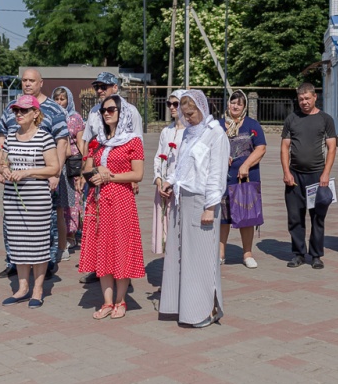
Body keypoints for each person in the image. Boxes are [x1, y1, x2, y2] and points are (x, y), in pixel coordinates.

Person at [159, 90, 229, 328]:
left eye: (191, 114)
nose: (187, 118)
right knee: (183, 257)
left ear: (202, 109)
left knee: (202, 258)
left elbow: (217, 173)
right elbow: (182, 165)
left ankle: (206, 310)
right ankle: (186, 307)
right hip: (183, 199)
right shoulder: (189, 133)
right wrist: (170, 181)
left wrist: (210, 207)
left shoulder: (215, 134)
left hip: (202, 201)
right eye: (184, 114)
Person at [0, 69, 69, 279]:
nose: (27, 84)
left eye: (31, 80)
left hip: (42, 175)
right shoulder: (12, 108)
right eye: (24, 80)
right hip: (15, 180)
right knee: (12, 221)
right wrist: (2, 168)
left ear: (41, 83)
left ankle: (47, 262)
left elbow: (62, 142)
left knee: (45, 221)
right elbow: (2, 140)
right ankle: (14, 261)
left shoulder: (53, 109)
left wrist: (55, 174)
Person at [79, 95, 146, 319]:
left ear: (122, 111)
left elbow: (138, 174)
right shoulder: (97, 141)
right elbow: (87, 169)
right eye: (103, 110)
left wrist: (110, 176)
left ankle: (121, 300)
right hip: (97, 201)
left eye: (111, 109)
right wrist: (95, 173)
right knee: (102, 248)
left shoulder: (132, 141)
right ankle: (107, 302)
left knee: (120, 248)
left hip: (121, 199)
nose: (107, 113)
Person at [0, 95, 60, 308]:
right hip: (13, 198)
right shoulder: (11, 137)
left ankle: (38, 289)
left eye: (24, 111)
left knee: (38, 244)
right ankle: (22, 288)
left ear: (35, 113)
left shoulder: (44, 137)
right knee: (17, 243)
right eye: (16, 110)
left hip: (36, 199)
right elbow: (3, 162)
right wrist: (5, 170)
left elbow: (54, 168)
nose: (19, 114)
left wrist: (27, 172)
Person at [281, 83, 337, 269]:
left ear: (315, 98)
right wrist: (286, 172)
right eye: (301, 99)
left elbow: (331, 147)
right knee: (295, 217)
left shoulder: (325, 119)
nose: (304, 102)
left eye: (307, 98)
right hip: (295, 177)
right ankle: (298, 254)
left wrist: (326, 173)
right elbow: (284, 147)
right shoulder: (292, 119)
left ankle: (315, 255)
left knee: (317, 217)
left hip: (317, 176)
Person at [219, 90, 267, 268]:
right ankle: (220, 253)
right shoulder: (218, 125)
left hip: (246, 177)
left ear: (244, 106)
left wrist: (245, 165)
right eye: (233, 102)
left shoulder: (252, 124)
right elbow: (210, 146)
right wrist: (221, 156)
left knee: (247, 214)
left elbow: (260, 148)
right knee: (222, 215)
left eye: (239, 103)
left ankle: (247, 253)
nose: (235, 106)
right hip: (223, 176)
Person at [52, 86, 85, 260]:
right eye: (56, 99)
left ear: (68, 100)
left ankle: (71, 234)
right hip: (55, 162)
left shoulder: (75, 117)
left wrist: (83, 166)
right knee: (58, 201)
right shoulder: (50, 116)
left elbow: (80, 142)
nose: (59, 102)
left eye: (62, 99)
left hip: (71, 163)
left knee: (72, 199)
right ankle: (58, 234)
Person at [152, 90, 185, 254]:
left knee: (178, 227)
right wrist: (159, 180)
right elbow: (158, 156)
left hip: (179, 187)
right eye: (169, 104)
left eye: (176, 104)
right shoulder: (166, 131)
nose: (171, 107)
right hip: (163, 188)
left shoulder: (189, 132)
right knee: (165, 228)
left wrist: (171, 182)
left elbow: (185, 162)